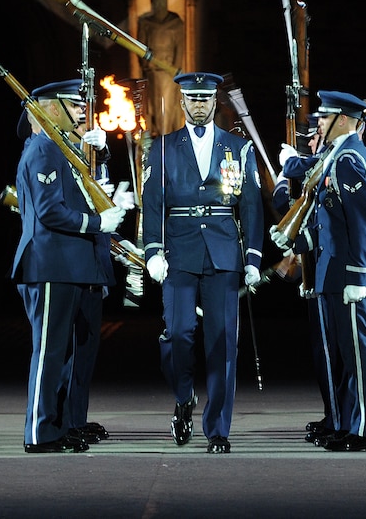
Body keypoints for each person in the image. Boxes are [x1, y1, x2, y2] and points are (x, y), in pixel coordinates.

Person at [141, 72, 264, 454]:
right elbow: (153, 203)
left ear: (215, 102)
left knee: (223, 342)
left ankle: (217, 429)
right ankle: (183, 397)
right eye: (192, 99)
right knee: (177, 334)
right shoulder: (161, 148)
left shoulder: (237, 148)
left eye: (205, 98)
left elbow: (251, 206)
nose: (198, 105)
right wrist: (153, 251)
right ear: (182, 102)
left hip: (224, 251)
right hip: (178, 250)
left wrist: (253, 258)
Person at [11, 80, 133, 454]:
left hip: (69, 265)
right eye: (72, 104)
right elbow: (50, 212)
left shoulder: (60, 150)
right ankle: (38, 431)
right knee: (49, 352)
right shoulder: (44, 150)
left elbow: (85, 192)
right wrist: (98, 225)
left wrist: (102, 158)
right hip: (50, 264)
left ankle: (58, 426)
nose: (83, 110)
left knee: (65, 355)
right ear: (48, 108)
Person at [271, 90, 366, 452]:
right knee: (347, 355)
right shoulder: (337, 157)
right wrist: (296, 240)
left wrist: (358, 276)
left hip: (347, 271)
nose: (318, 123)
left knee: (357, 353)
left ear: (345, 120)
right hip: (333, 270)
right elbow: (329, 222)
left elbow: (360, 224)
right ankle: (351, 426)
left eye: (325, 117)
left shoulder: (350, 159)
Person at [137, 0, 185, 136]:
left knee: (168, 105)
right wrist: (147, 64)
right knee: (155, 106)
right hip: (153, 71)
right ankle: (158, 133)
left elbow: (180, 46)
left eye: (162, 2)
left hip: (169, 71)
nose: (159, 5)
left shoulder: (175, 23)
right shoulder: (146, 23)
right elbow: (140, 46)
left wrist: (175, 68)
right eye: (156, 2)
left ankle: (167, 134)